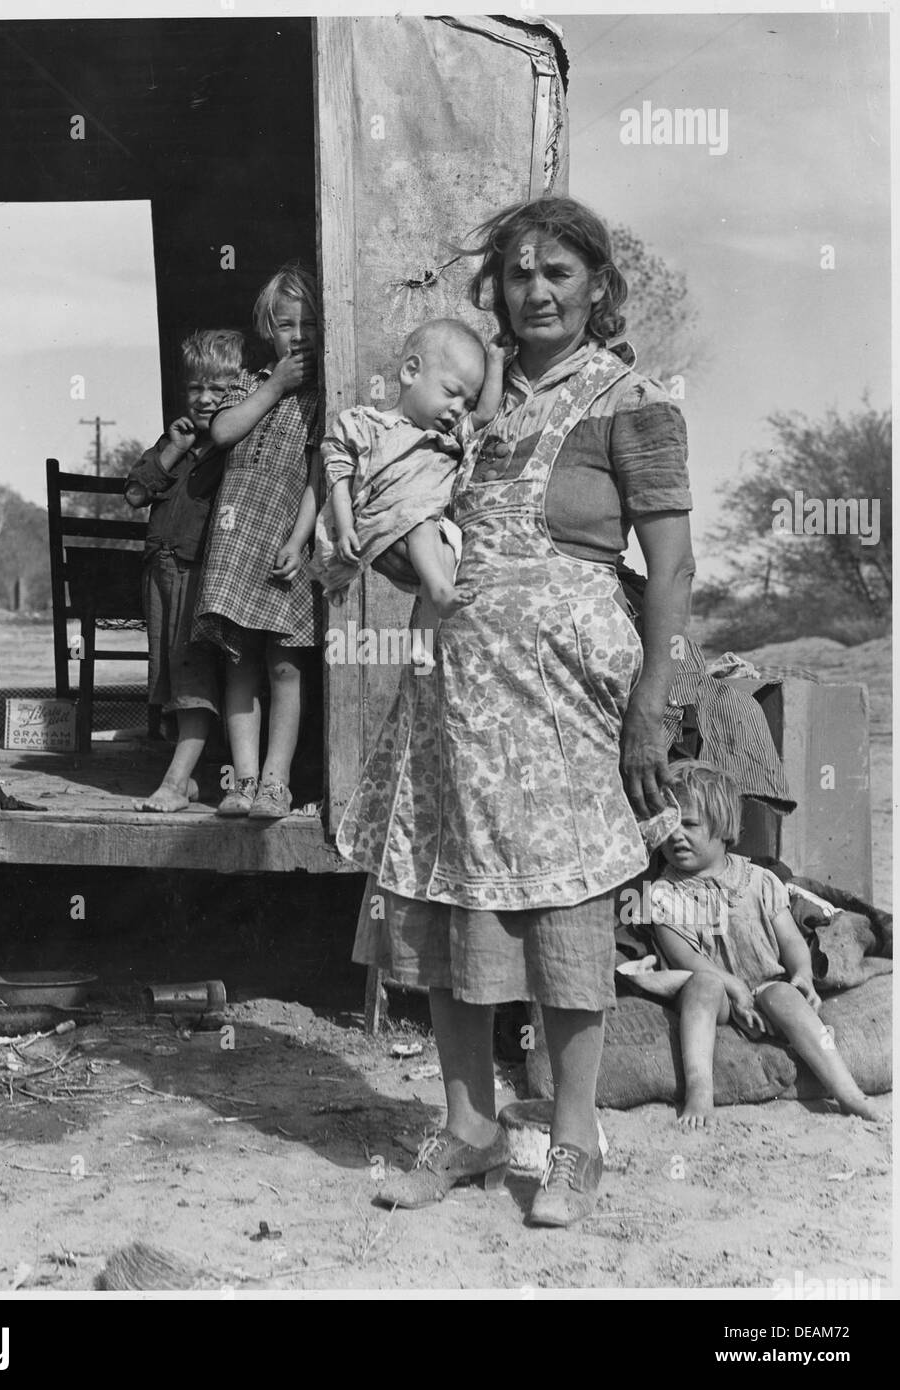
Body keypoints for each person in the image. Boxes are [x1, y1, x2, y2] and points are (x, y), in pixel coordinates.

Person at [337, 195, 696, 1225]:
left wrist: (650, 707)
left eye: (559, 274)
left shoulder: (635, 400)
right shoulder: (467, 402)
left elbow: (671, 572)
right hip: (454, 695)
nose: (536, 291)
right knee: (453, 906)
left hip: (569, 706)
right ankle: (468, 1125)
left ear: (596, 286)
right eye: (518, 274)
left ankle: (576, 1143)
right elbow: (408, 517)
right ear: (493, 288)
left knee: (563, 915)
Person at [648, 760, 881, 1128]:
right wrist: (734, 987)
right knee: (702, 988)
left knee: (785, 996)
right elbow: (686, 957)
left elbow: (790, 940)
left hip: (765, 983)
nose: (676, 835)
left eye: (689, 825)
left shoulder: (759, 880)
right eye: (668, 825)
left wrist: (803, 972)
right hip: (719, 993)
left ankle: (848, 1091)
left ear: (723, 829)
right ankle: (699, 1088)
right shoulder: (664, 894)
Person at [192, 265, 323, 821]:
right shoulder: (251, 383)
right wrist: (274, 386)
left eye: (308, 324)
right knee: (238, 662)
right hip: (236, 538)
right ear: (268, 329)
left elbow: (321, 474)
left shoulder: (323, 397)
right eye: (286, 324)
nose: (298, 336)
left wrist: (301, 537)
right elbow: (222, 432)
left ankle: (277, 783)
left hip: (283, 542)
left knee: (286, 667)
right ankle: (242, 781)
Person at [309, 320, 504, 665]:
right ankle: (441, 596)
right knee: (422, 524)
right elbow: (339, 477)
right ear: (412, 371)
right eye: (451, 392)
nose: (459, 408)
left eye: (467, 402)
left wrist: (497, 359)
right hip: (389, 519)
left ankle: (423, 643)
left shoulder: (449, 437)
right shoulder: (364, 424)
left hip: (424, 525)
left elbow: (487, 414)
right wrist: (345, 529)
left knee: (445, 556)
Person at [125, 329, 246, 812]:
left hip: (200, 573)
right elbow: (135, 493)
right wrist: (172, 450)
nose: (206, 399)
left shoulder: (232, 445)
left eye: (219, 390)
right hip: (161, 570)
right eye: (197, 388)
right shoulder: (173, 440)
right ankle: (193, 775)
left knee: (192, 675)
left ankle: (175, 782)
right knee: (170, 676)